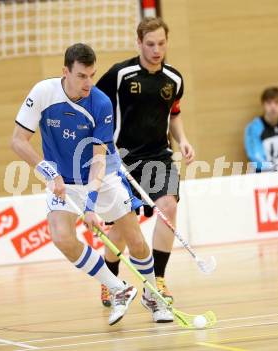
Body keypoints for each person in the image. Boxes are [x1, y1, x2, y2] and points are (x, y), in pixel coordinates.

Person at [10, 43, 173, 324]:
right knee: (62, 237)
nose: (88, 83)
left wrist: (90, 206)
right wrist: (48, 172)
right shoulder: (43, 93)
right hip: (62, 177)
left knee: (135, 240)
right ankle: (117, 289)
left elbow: (99, 160)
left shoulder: (100, 102)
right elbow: (17, 141)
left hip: (102, 175)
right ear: (66, 72)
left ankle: (152, 296)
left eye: (92, 76)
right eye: (82, 76)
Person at [96, 17, 195, 307]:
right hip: (123, 158)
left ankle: (158, 282)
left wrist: (184, 139)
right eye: (150, 44)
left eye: (161, 44)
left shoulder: (173, 79)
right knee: (124, 228)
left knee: (169, 206)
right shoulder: (120, 74)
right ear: (139, 43)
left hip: (158, 156)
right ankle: (110, 281)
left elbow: (174, 113)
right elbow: (96, 104)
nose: (156, 50)